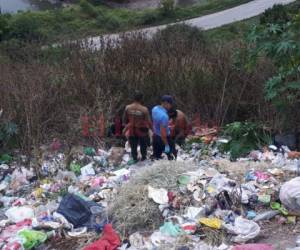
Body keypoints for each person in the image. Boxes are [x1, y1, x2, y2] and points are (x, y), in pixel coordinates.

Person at [123, 91, 152, 162]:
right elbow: (148, 121)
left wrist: (126, 127)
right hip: (142, 130)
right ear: (141, 99)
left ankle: (135, 159)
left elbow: (124, 119)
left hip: (132, 130)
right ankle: (143, 159)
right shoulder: (144, 109)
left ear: (133, 98)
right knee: (143, 147)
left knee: (133, 147)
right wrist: (152, 130)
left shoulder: (128, 107)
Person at [152, 95, 176, 160]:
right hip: (163, 139)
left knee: (156, 157)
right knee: (172, 156)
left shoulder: (154, 109)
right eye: (170, 104)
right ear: (165, 103)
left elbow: (156, 123)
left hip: (155, 136)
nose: (171, 106)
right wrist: (166, 145)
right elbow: (163, 134)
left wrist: (167, 127)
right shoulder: (164, 116)